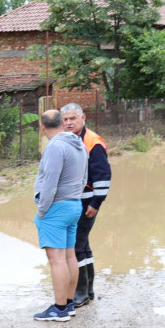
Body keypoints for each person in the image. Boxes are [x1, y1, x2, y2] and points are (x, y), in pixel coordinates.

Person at [32, 109, 87, 322]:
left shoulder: (55, 146)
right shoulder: (77, 143)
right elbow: (84, 176)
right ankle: (69, 303)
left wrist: (43, 209)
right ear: (62, 123)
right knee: (69, 256)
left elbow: (50, 182)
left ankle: (60, 308)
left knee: (56, 260)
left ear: (42, 126)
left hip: (56, 207)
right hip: (74, 204)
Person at [60, 103, 112, 306]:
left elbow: (103, 176)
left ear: (83, 118)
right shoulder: (72, 140)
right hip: (78, 199)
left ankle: (79, 294)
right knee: (84, 245)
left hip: (86, 201)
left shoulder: (92, 142)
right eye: (65, 119)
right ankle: (88, 290)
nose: (68, 123)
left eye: (72, 118)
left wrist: (96, 203)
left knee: (75, 246)